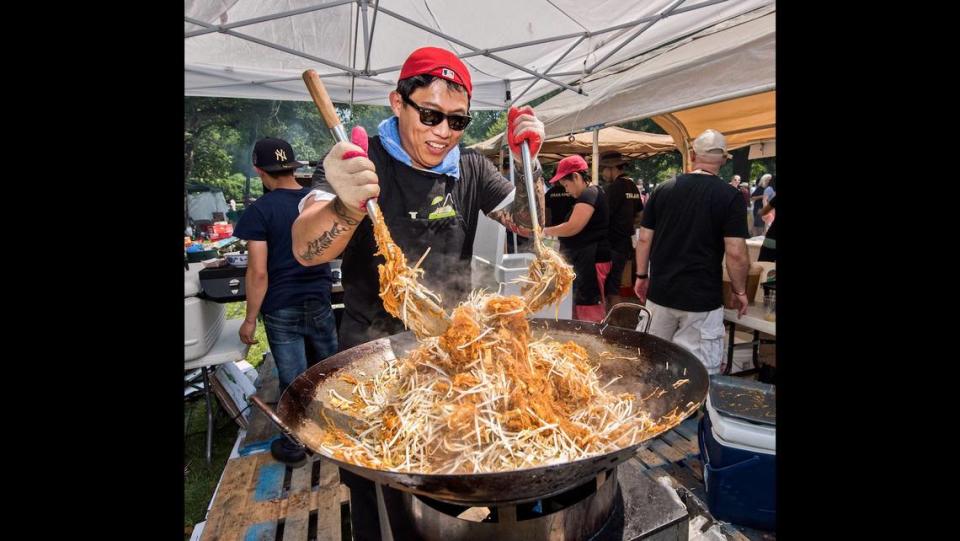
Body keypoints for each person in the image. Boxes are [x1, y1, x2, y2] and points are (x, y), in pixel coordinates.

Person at [290, 46, 547, 540]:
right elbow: (306, 249)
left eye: (457, 120)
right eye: (429, 115)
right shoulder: (360, 161)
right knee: (376, 486)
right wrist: (344, 204)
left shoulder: (469, 167)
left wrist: (526, 163)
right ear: (397, 102)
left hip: (450, 352)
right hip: (372, 358)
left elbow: (526, 223)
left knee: (446, 474)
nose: (443, 132)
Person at [233, 137, 338, 467]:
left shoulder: (259, 211)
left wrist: (249, 319)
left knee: (293, 379)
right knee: (330, 371)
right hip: (319, 299)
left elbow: (258, 272)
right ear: (293, 167)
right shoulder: (318, 201)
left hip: (281, 306)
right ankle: (340, 434)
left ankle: (295, 446)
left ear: (259, 171)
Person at [633, 129, 750, 375]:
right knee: (696, 375)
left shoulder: (663, 189)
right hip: (701, 300)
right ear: (724, 160)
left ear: (693, 156)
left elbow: (644, 239)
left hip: (661, 294)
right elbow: (736, 252)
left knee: (651, 364)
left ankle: (653, 411)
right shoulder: (730, 196)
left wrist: (641, 276)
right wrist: (740, 290)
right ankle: (689, 414)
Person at [529, 155, 611, 322]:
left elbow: (573, 227)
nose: (566, 190)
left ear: (576, 176)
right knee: (580, 304)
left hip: (592, 260)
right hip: (584, 259)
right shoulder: (587, 195)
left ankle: (594, 337)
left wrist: (544, 232)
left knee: (590, 306)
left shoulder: (590, 194)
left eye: (566, 185)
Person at [599, 151, 643, 307]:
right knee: (615, 282)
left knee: (610, 286)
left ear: (612, 168)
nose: (603, 173)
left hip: (613, 244)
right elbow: (639, 215)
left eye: (604, 169)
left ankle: (612, 319)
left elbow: (603, 216)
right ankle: (615, 318)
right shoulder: (632, 186)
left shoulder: (614, 188)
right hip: (626, 244)